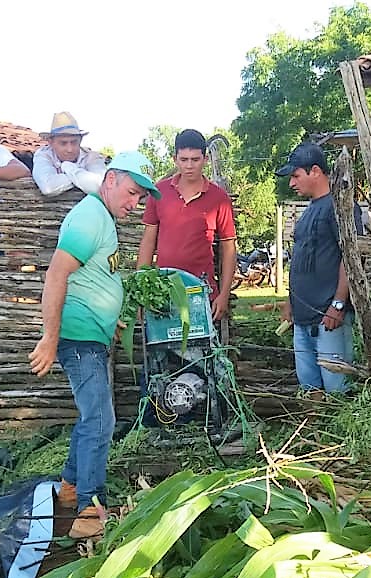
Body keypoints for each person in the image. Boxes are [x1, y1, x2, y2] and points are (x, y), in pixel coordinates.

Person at [27, 152, 161, 540]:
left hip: (94, 334)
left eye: (139, 199)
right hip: (79, 337)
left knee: (92, 416)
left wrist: (111, 315)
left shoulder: (103, 218)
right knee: (100, 419)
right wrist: (50, 338)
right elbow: (56, 275)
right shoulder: (89, 216)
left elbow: (95, 277)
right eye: (131, 194)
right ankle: (89, 509)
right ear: (111, 179)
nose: (134, 205)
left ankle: (70, 487)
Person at [276, 142, 359, 396]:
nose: (292, 183)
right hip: (302, 318)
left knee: (337, 390)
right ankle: (312, 434)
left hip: (329, 318)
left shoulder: (341, 207)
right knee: (309, 387)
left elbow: (351, 258)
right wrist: (291, 302)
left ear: (315, 171)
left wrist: (338, 305)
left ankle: (340, 435)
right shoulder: (310, 210)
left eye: (295, 175)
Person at [137, 129, 236, 323]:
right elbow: (148, 242)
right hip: (163, 290)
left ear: (205, 159)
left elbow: (229, 247)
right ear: (175, 159)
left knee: (200, 351)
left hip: (201, 291)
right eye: (183, 159)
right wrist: (141, 289)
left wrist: (224, 294)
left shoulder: (219, 198)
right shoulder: (159, 192)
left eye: (195, 159)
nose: (189, 166)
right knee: (163, 351)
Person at [32, 112, 106, 197]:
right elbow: (48, 187)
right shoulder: (44, 155)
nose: (69, 149)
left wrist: (68, 168)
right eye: (63, 143)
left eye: (74, 142)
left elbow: (102, 185)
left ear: (80, 140)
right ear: (51, 142)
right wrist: (83, 177)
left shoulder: (92, 157)